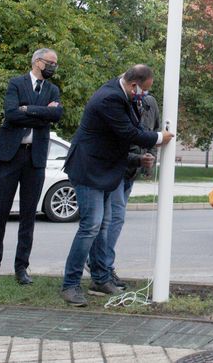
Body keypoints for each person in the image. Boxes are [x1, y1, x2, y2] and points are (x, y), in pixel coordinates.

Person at [60, 64, 174, 307]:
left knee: (104, 225)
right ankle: (70, 284)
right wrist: (159, 138)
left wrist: (136, 158)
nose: (145, 96)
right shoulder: (109, 98)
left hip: (107, 170)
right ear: (134, 85)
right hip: (89, 170)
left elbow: (117, 139)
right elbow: (129, 133)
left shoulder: (123, 94)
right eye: (144, 91)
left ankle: (101, 278)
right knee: (90, 226)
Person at [0, 48, 63, 286]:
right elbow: (11, 114)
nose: (53, 67)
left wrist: (28, 109)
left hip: (34, 158)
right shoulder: (16, 83)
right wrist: (42, 113)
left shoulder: (53, 89)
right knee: (0, 212)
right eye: (51, 62)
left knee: (29, 215)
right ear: (38, 62)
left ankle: (21, 268)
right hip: (9, 155)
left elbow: (56, 115)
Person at [98, 82, 159, 290]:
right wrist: (138, 157)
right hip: (118, 168)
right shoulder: (119, 102)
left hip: (133, 169)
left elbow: (153, 132)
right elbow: (122, 138)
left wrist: (150, 159)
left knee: (114, 219)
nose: (141, 93)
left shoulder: (150, 103)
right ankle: (102, 266)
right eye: (139, 88)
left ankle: (103, 265)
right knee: (113, 218)